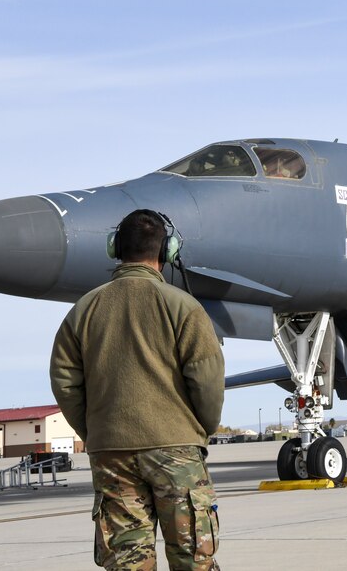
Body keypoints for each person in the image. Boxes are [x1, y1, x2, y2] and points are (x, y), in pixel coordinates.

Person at [50, 209, 225, 570]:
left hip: (111, 452)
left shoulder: (83, 310)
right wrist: (198, 430)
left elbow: (64, 379)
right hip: (176, 450)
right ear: (168, 252)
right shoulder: (184, 307)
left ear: (115, 249)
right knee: (193, 558)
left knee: (128, 561)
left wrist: (96, 430)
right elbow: (207, 380)